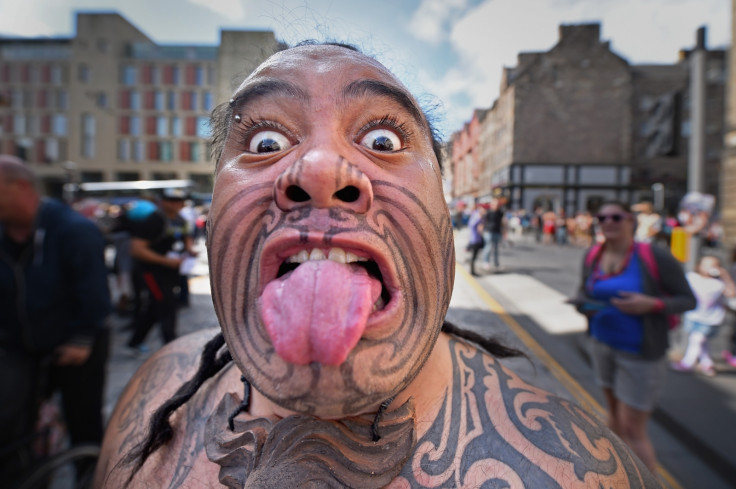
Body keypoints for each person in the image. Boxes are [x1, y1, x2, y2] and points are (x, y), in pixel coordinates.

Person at [94, 43, 663, 488]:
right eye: (265, 142)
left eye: (384, 138)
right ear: (213, 215)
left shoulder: (585, 473)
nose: (320, 169)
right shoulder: (152, 399)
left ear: (446, 213)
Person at [0, 155, 111, 482]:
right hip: (21, 343)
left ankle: (90, 477)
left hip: (76, 346)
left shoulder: (72, 230)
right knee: (14, 417)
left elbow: (93, 293)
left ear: (20, 187)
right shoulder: (6, 232)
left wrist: (81, 339)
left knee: (83, 419)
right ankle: (27, 474)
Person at [575, 201, 695, 473]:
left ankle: (645, 480)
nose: (608, 222)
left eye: (616, 216)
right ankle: (614, 474)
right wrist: (583, 304)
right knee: (613, 417)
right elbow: (585, 291)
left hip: (640, 352)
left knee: (633, 428)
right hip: (602, 343)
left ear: (631, 221)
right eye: (602, 217)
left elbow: (688, 300)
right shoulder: (593, 254)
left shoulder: (654, 256)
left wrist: (652, 304)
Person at [125, 188, 194, 354]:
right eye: (172, 200)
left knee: (156, 307)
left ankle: (135, 341)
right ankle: (172, 346)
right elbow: (136, 249)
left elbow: (186, 239)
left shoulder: (180, 219)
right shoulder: (154, 220)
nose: (177, 204)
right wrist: (166, 261)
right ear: (163, 201)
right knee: (167, 306)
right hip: (152, 273)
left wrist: (190, 251)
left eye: (180, 201)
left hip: (172, 271)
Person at [671, 255, 736, 375]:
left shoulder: (719, 283)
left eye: (714, 265)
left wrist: (725, 276)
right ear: (699, 266)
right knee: (702, 342)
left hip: (711, 319)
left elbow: (732, 293)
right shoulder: (692, 277)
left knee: (697, 339)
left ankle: (687, 363)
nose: (710, 268)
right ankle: (707, 364)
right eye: (706, 265)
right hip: (694, 316)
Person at [482, 199, 504, 270]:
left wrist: (504, 232)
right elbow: (483, 222)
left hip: (497, 232)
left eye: (497, 205)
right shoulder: (488, 212)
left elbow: (501, 222)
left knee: (496, 248)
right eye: (494, 204)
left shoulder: (500, 213)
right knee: (488, 247)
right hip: (489, 231)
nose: (496, 206)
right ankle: (486, 262)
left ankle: (496, 262)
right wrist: (482, 231)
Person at [466, 203, 484, 276]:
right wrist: (479, 218)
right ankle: (472, 271)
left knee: (474, 257)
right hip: (475, 240)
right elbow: (472, 225)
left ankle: (472, 270)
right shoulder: (476, 217)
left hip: (476, 239)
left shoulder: (474, 216)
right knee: (473, 257)